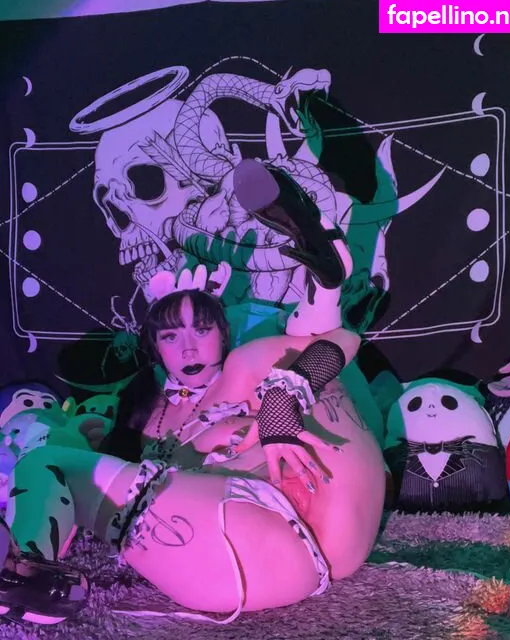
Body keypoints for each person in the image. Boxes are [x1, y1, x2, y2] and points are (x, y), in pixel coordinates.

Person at [5, 159, 386, 624]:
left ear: (223, 335)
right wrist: (83, 437)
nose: (188, 346)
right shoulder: (147, 417)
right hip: (238, 553)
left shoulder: (244, 369)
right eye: (170, 335)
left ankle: (324, 282)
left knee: (46, 462)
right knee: (53, 460)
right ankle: (27, 586)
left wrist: (281, 400)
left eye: (201, 330)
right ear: (154, 348)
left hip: (285, 540)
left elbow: (341, 340)